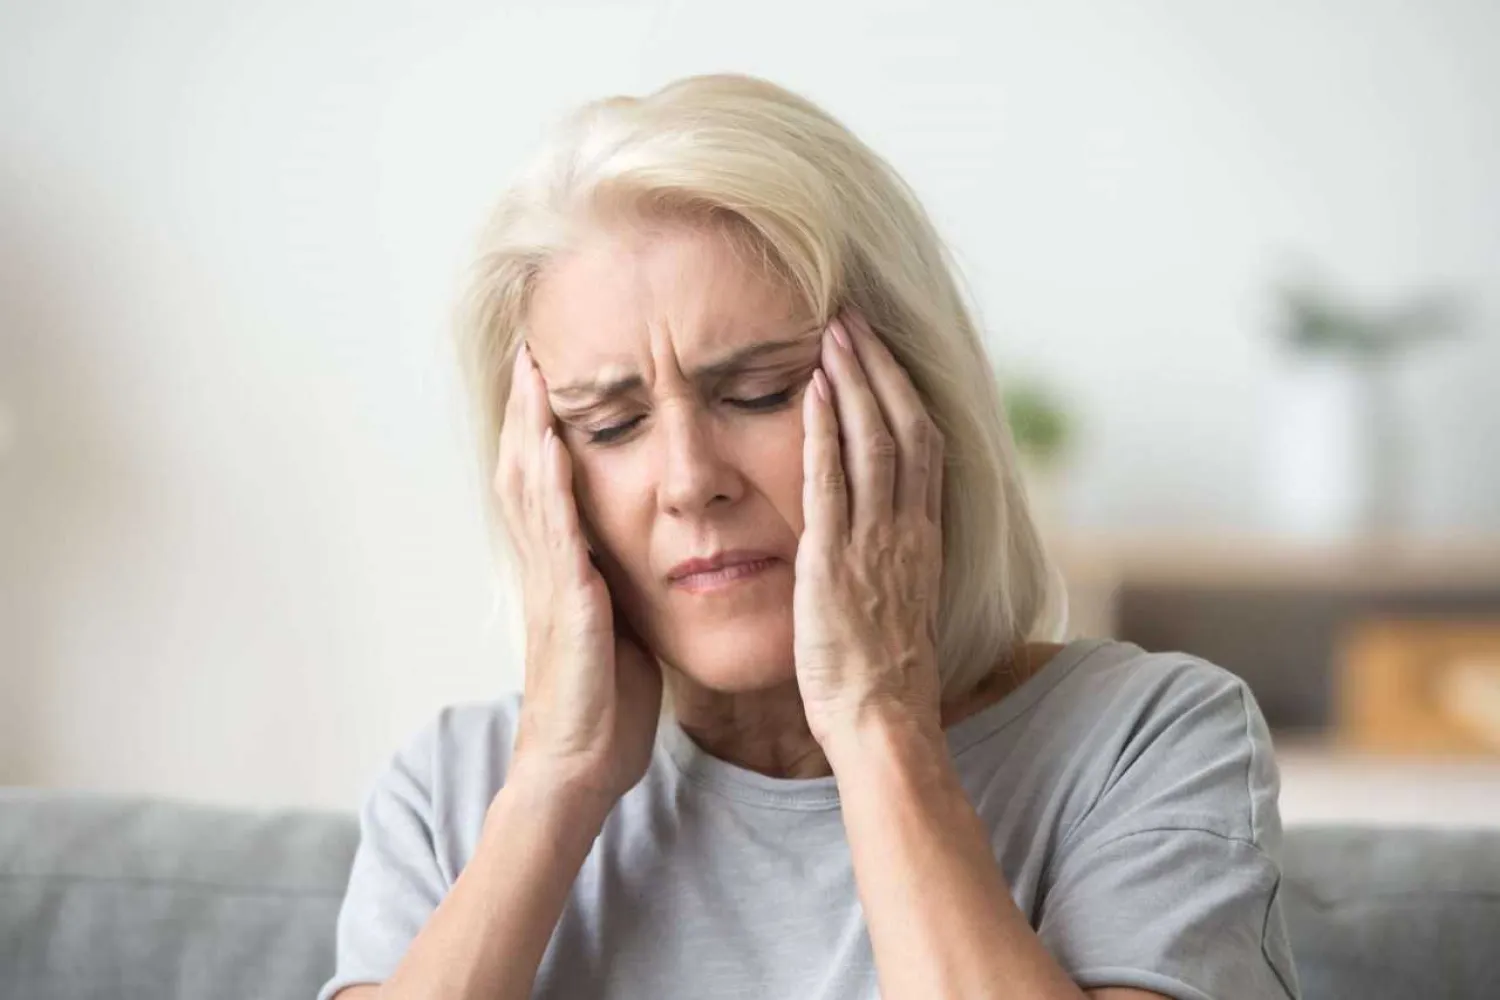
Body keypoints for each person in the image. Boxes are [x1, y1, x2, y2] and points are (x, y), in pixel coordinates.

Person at [318, 74, 1300, 1000]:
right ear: (539, 471)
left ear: (913, 400)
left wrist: (880, 723)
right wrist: (552, 783)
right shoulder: (453, 791)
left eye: (758, 392)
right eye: (610, 423)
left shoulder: (1148, 739)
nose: (691, 480)